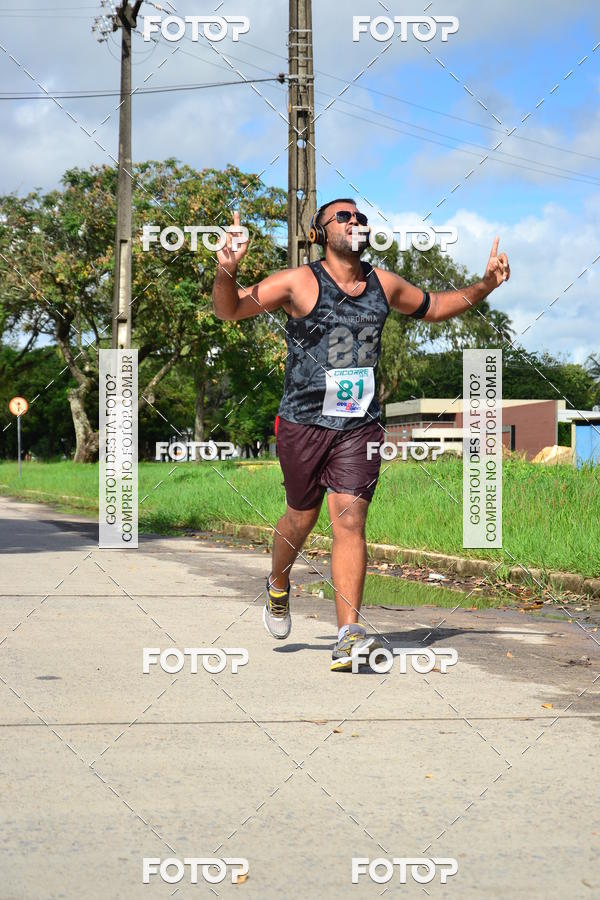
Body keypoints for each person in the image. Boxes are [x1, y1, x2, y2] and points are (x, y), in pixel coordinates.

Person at [211, 199, 510, 671]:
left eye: (361, 217)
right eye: (344, 217)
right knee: (299, 519)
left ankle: (349, 634)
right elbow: (229, 311)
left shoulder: (382, 283)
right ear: (319, 233)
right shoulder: (298, 282)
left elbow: (434, 307)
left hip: (359, 424)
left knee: (349, 520)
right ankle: (278, 581)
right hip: (302, 423)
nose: (356, 222)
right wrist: (227, 270)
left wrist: (486, 285)